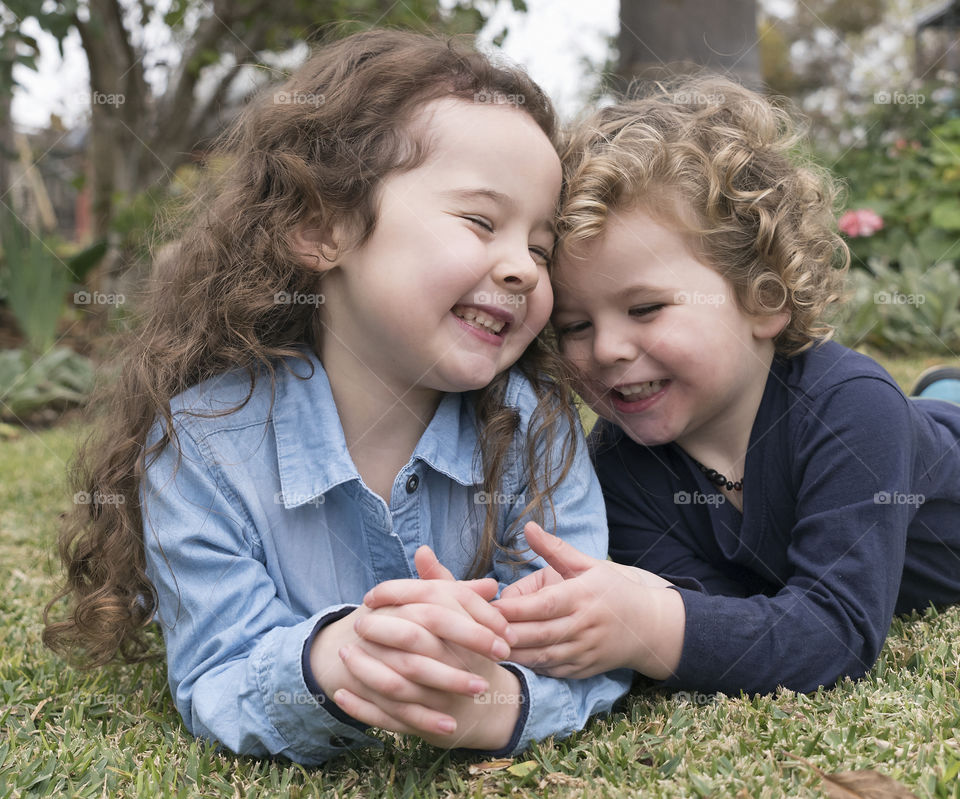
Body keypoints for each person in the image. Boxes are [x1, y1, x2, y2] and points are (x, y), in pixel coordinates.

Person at [43, 30, 630, 765]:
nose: (523, 269)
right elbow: (217, 671)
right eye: (481, 221)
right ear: (323, 228)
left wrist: (492, 702)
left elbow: (587, 640)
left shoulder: (534, 426)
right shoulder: (200, 447)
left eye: (540, 247)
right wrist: (334, 662)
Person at [492, 75, 960, 696]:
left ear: (764, 299)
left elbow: (836, 632)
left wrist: (649, 627)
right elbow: (725, 614)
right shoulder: (617, 470)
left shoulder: (850, 409)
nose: (606, 349)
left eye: (645, 308)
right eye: (575, 325)